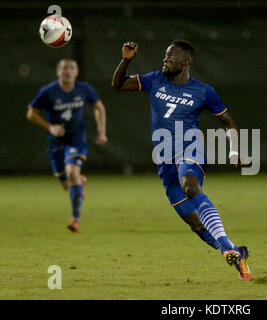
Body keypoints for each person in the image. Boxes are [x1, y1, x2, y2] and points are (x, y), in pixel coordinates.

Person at [111, 40, 251, 281]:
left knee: (189, 185)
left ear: (186, 61)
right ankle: (235, 252)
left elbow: (228, 121)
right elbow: (118, 85)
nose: (166, 59)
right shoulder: (155, 80)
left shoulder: (204, 91)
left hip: (190, 148)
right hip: (164, 160)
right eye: (166, 55)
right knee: (196, 225)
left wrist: (234, 150)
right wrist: (126, 60)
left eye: (172, 56)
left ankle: (227, 247)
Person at [27, 58, 107, 233]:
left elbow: (99, 108)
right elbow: (31, 113)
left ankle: (75, 219)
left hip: (76, 141)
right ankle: (79, 182)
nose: (68, 71)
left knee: (72, 172)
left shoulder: (84, 89)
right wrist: (50, 127)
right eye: (64, 68)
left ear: (76, 72)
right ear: (58, 72)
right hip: (56, 144)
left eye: (72, 68)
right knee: (66, 184)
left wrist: (101, 132)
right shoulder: (48, 92)